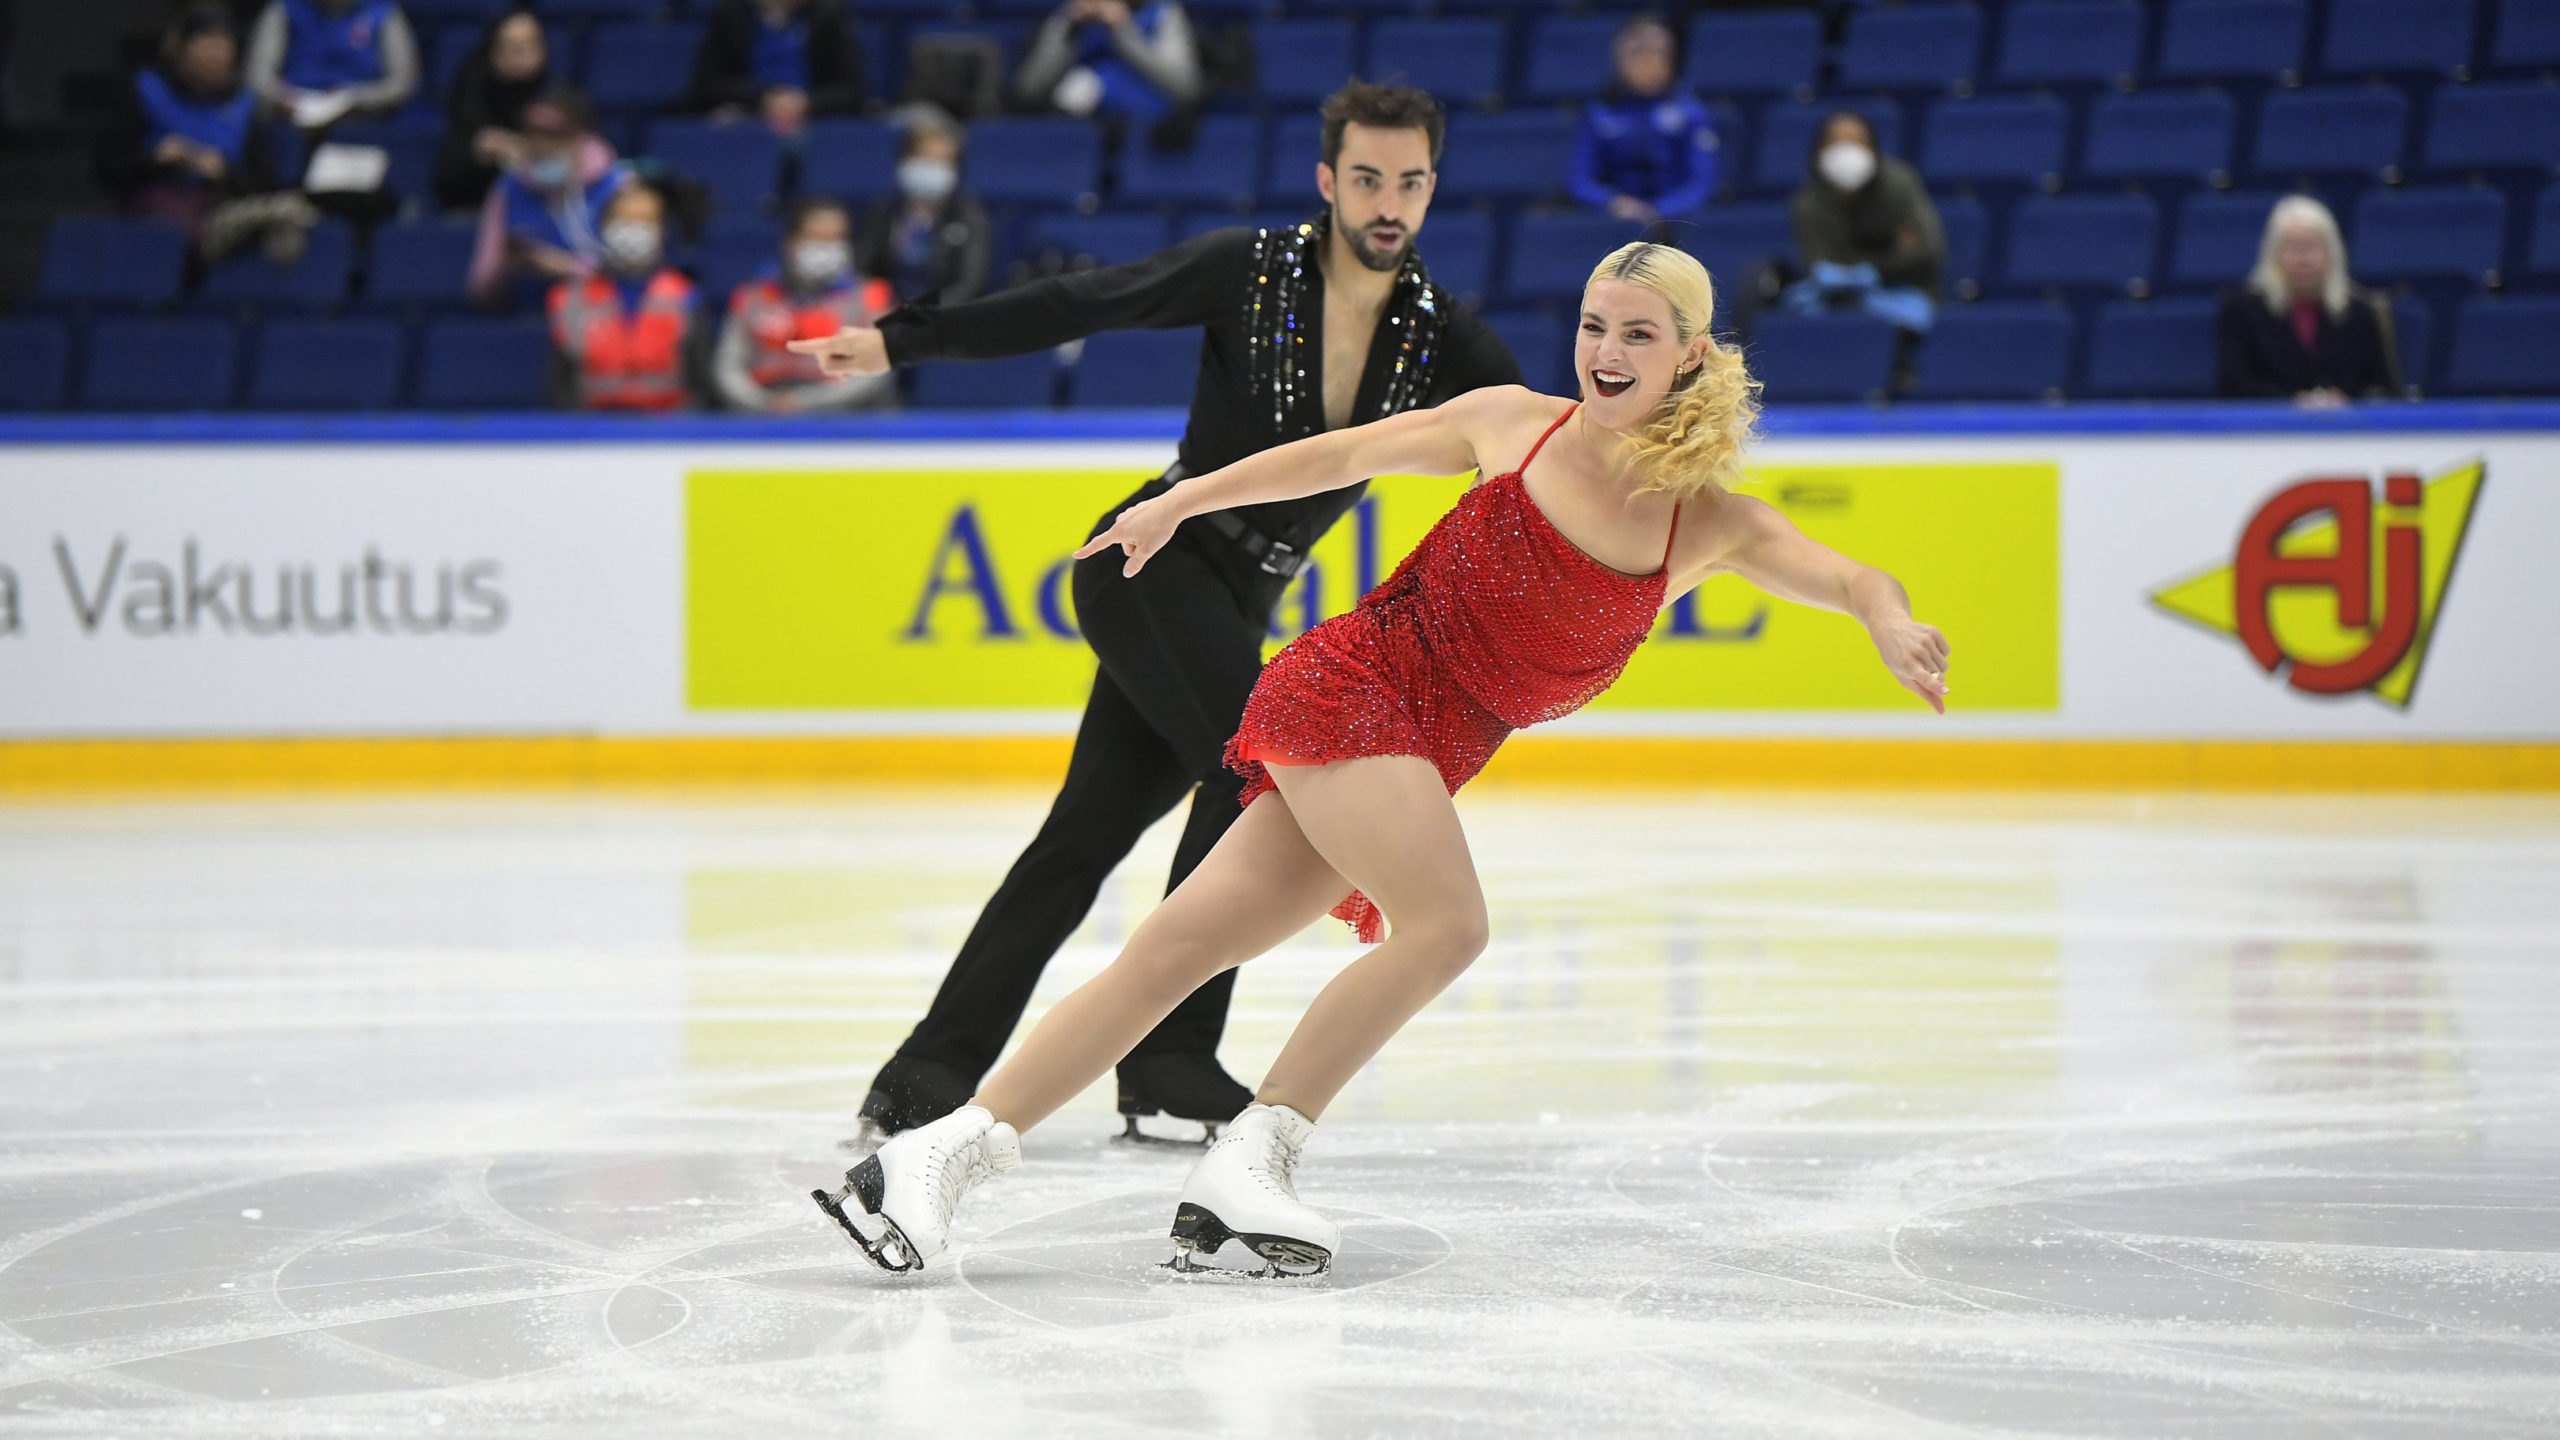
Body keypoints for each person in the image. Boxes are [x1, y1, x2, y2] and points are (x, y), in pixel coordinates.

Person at [815, 242, 1951, 1277]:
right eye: (1594, 325)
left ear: (1691, 356)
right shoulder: (1516, 422)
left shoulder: (1707, 527)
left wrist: (1887, 622)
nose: (1604, 353)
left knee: (1176, 950)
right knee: (1449, 926)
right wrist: (1185, 501)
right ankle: (1252, 1161)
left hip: (1418, 743)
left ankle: (926, 1163)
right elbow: (1339, 453)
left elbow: (1851, 575)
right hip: (1357, 690)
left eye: (1637, 335)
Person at [785, 80, 1522, 1153]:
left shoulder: (1436, 335)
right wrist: (904, 341)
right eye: (1365, 178)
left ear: (1430, 190)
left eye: (1408, 182)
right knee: (1254, 768)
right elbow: (1089, 300)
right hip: (1150, 562)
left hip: (1237, 592)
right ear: (1327, 181)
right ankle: (1169, 1058)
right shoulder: (1250, 269)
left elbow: (1540, 440)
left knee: (1081, 836)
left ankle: (924, 1075)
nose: (1385, 204)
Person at [97, 2, 310, 259]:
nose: (213, 54)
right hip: (155, 212)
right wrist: (156, 158)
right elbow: (107, 167)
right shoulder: (146, 91)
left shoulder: (246, 105)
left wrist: (223, 173)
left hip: (222, 209)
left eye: (222, 44)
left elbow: (264, 181)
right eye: (205, 42)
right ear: (181, 48)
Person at [715, 196, 898, 414]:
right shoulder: (753, 297)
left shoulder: (871, 297)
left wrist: (805, 403)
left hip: (842, 418)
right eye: (817, 238)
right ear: (791, 243)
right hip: (761, 414)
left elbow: (874, 371)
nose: (827, 249)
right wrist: (763, 403)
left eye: (836, 239)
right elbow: (728, 367)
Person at [2216, 195, 2402, 406]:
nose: (2303, 259)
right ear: (2272, 255)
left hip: (2348, 433)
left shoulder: (2360, 312)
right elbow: (2234, 387)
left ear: (2332, 253)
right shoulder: (2242, 313)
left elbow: (2382, 389)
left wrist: (2345, 401)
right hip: (2267, 433)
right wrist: (2294, 402)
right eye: (2292, 248)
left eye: (2312, 247)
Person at [1779, 110, 1942, 336]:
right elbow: (1818, 267)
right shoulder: (1808, 202)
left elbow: (1928, 253)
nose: (1846, 150)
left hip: (1899, 295)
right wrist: (1890, 252)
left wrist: (1856, 268)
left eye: (1856, 141)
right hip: (1833, 307)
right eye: (1836, 142)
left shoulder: (1900, 184)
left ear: (1873, 149)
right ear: (1819, 151)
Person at [468, 86, 629, 309]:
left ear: (580, 137)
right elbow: (481, 288)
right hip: (527, 320)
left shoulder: (620, 186)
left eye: (553, 135)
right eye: (532, 134)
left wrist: (569, 269)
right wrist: (508, 265)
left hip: (599, 322)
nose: (541, 146)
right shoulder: (509, 188)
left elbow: (632, 275)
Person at [546, 180, 699, 412]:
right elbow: (560, 388)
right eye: (624, 220)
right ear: (605, 226)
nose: (633, 231)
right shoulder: (570, 299)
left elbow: (698, 384)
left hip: (667, 432)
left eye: (645, 222)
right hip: (592, 433)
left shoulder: (685, 297)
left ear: (662, 231)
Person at [1568, 13, 1722, 228]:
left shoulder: (1692, 114)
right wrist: (1614, 203)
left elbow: (1702, 183)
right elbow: (1580, 182)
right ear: (1619, 59)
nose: (1647, 60)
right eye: (1637, 52)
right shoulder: (1599, 114)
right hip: (1615, 223)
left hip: (1676, 225)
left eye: (1657, 52)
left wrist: (1659, 210)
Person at [855, 112, 993, 305]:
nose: (932, 167)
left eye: (942, 161)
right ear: (904, 161)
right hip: (885, 313)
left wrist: (923, 315)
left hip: (944, 317)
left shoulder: (969, 216)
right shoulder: (883, 210)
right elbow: (862, 270)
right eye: (925, 158)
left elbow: (971, 283)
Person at [434, 9, 554, 213]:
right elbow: (447, 178)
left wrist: (529, 152)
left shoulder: (559, 101)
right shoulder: (471, 93)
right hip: (476, 206)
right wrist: (482, 153)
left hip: (545, 211)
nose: (524, 54)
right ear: (495, 53)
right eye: (515, 48)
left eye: (531, 44)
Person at [690, 0, 866, 137]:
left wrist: (806, 102)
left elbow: (851, 90)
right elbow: (708, 85)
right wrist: (764, 98)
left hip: (814, 125)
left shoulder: (829, 15)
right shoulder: (731, 15)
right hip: (746, 125)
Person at [243, 0, 418, 132]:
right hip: (292, 118)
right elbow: (257, 77)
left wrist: (354, 98)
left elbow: (401, 83)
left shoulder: (384, 11)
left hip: (364, 118)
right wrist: (282, 98)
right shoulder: (284, 8)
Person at [1014, 0, 1201, 122]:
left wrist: (1123, 32)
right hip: (1073, 134)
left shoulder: (1163, 12)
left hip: (1144, 133)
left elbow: (1185, 88)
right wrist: (1072, 31)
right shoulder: (1073, 15)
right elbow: (1029, 89)